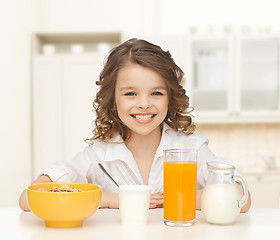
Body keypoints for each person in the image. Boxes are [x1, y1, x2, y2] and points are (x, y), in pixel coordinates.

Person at [19, 38, 251, 211]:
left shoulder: (192, 149)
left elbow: (242, 198)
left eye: (156, 93)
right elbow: (29, 198)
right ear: (113, 100)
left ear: (170, 98)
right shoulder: (98, 156)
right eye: (130, 93)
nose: (144, 104)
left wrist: (182, 197)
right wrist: (111, 200)